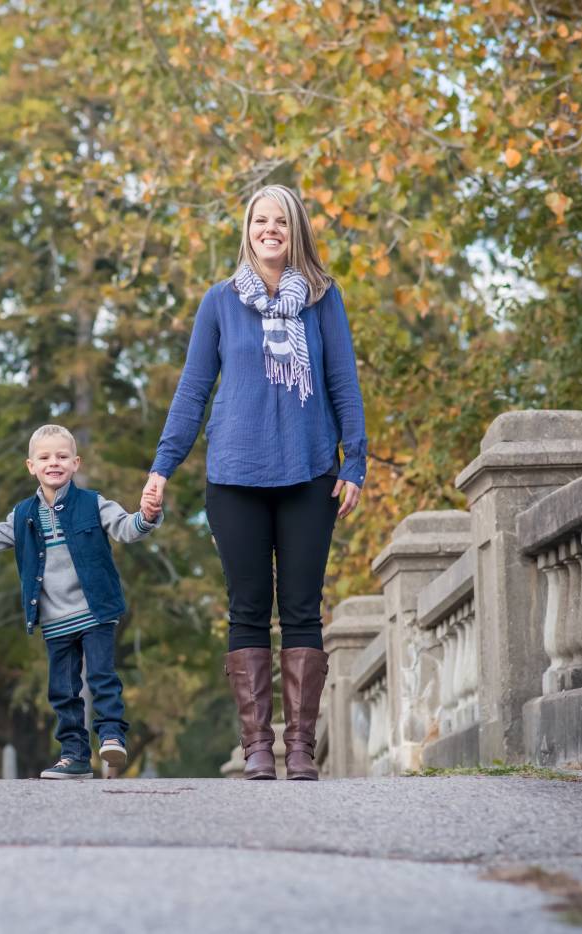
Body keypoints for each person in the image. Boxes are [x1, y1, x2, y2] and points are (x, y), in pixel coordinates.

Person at [143, 185, 367, 781]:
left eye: (281, 222)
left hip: (309, 469)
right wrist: (163, 467)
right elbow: (193, 391)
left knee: (300, 609)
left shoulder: (322, 300)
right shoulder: (220, 302)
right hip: (236, 475)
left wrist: (355, 463)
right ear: (247, 230)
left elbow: (342, 381)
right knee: (245, 609)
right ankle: (258, 748)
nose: (270, 230)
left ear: (296, 233)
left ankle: (300, 749)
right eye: (260, 221)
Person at [0, 424, 162, 779]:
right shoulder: (23, 515)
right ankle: (74, 755)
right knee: (62, 689)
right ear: (30, 466)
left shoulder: (93, 503)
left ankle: (111, 735)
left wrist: (148, 517)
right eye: (45, 457)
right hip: (54, 618)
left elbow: (126, 527)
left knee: (101, 676)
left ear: (75, 463)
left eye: (62, 457)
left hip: (95, 611)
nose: (54, 463)